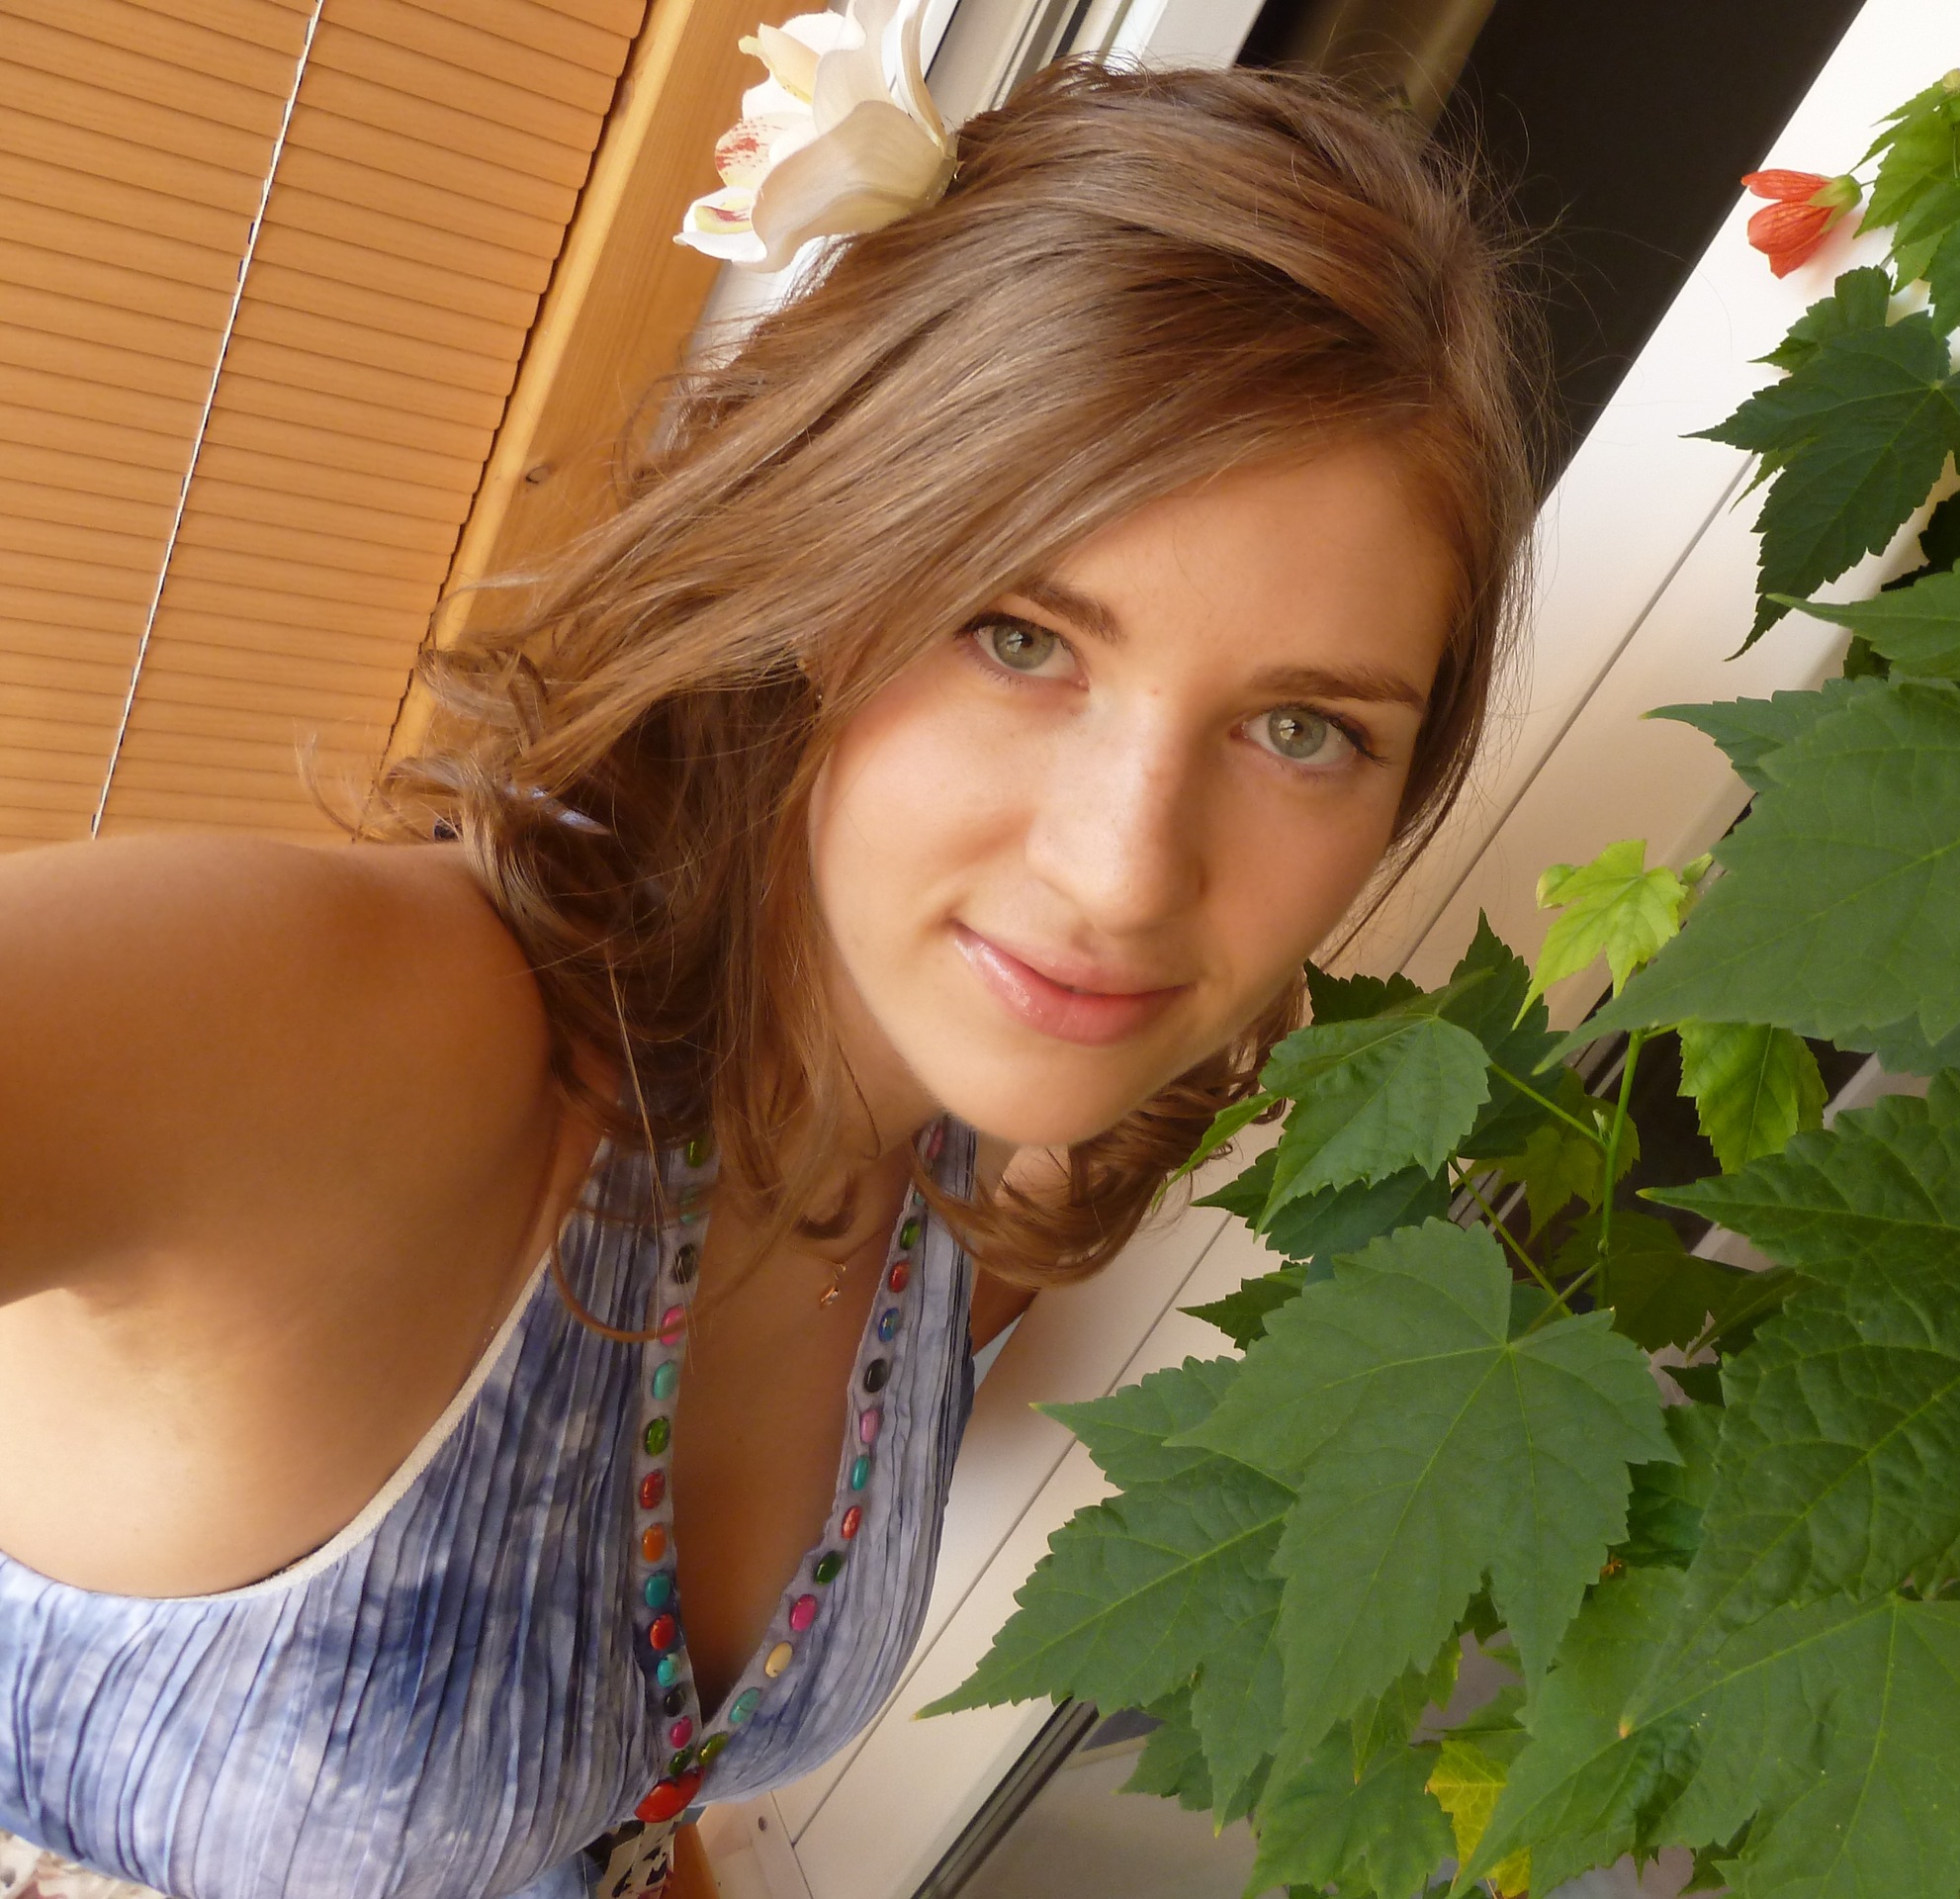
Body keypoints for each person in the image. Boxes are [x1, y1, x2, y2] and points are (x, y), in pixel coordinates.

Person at [0, 52, 1536, 1899]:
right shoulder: (356, 1029)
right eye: (1019, 635)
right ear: (820, 568)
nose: (1125, 872)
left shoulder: (990, 1160)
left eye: (1302, 729)